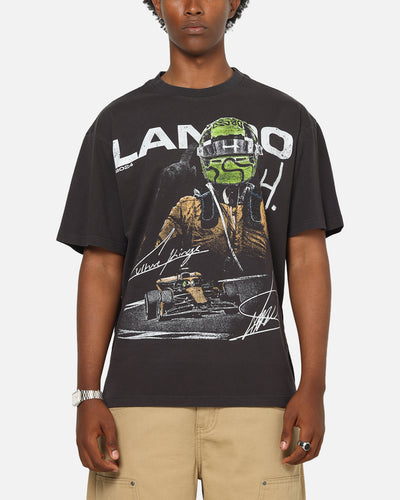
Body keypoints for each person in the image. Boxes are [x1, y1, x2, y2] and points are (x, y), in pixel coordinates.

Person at [56, 0, 344, 498]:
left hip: (262, 398)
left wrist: (313, 385)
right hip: (138, 400)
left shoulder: (289, 120)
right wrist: (88, 392)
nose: (193, 6)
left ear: (235, 1)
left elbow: (306, 257)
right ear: (155, 2)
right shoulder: (115, 124)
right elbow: (101, 264)